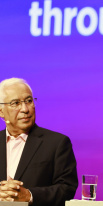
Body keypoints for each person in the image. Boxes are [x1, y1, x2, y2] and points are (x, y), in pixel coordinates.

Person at [0, 78, 78, 206]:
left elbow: (67, 188)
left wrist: (29, 195)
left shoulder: (57, 143)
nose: (25, 109)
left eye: (29, 101)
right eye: (15, 103)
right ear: (1, 111)